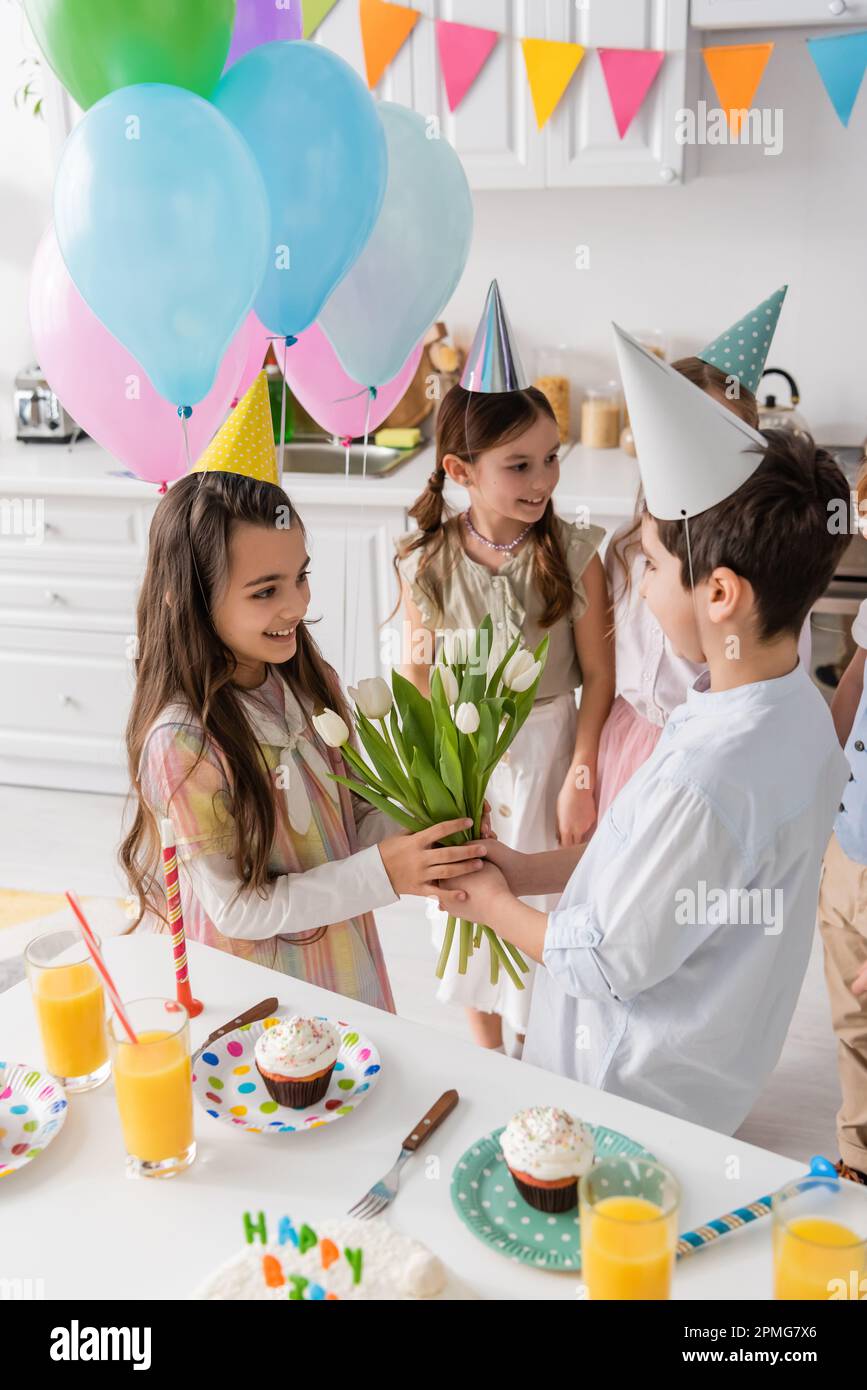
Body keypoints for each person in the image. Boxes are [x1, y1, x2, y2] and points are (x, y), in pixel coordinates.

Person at [436, 327, 850, 1134]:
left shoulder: (712, 774)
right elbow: (645, 863)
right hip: (704, 1079)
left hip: (621, 1093)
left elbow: (602, 960)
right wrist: (523, 869)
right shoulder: (791, 708)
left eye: (654, 567)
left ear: (720, 594)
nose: (645, 585)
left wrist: (489, 903)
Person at [120, 373, 488, 1009]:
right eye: (266, 590)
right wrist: (384, 874)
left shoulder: (303, 680)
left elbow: (350, 813)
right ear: (194, 599)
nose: (297, 604)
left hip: (343, 960)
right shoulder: (183, 741)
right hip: (262, 989)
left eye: (300, 576)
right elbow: (237, 907)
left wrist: (431, 832)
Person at [395, 282, 613, 1052]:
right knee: (460, 897)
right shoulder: (427, 564)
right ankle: (487, 1048)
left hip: (545, 752)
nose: (542, 481)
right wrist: (436, 779)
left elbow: (597, 678)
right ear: (461, 468)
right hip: (463, 755)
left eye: (550, 459)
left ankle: (535, 1043)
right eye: (518, 466)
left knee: (533, 901)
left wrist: (582, 765)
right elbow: (418, 682)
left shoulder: (575, 555)